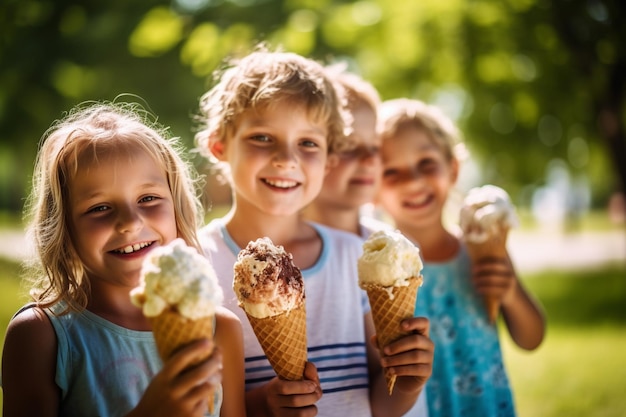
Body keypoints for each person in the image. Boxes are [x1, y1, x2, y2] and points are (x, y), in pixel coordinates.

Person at [194, 48, 434, 417]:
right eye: (262, 137)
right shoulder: (198, 262)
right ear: (220, 146)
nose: (286, 159)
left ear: (329, 160)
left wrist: (407, 382)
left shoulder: (356, 256)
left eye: (308, 143)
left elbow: (381, 403)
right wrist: (261, 406)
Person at [1, 102, 246, 417]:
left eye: (148, 199)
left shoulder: (220, 329)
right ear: (64, 227)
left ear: (176, 208)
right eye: (99, 207)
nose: (130, 222)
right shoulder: (41, 336)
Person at [376, 98, 546, 417]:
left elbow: (531, 338)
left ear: (453, 169)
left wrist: (510, 293)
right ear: (373, 186)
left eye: (426, 163)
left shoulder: (479, 248)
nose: (413, 180)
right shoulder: (381, 273)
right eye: (392, 171)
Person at [301, 67, 428, 417]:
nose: (369, 159)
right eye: (348, 147)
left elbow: (389, 378)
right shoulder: (291, 257)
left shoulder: (389, 246)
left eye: (374, 147)